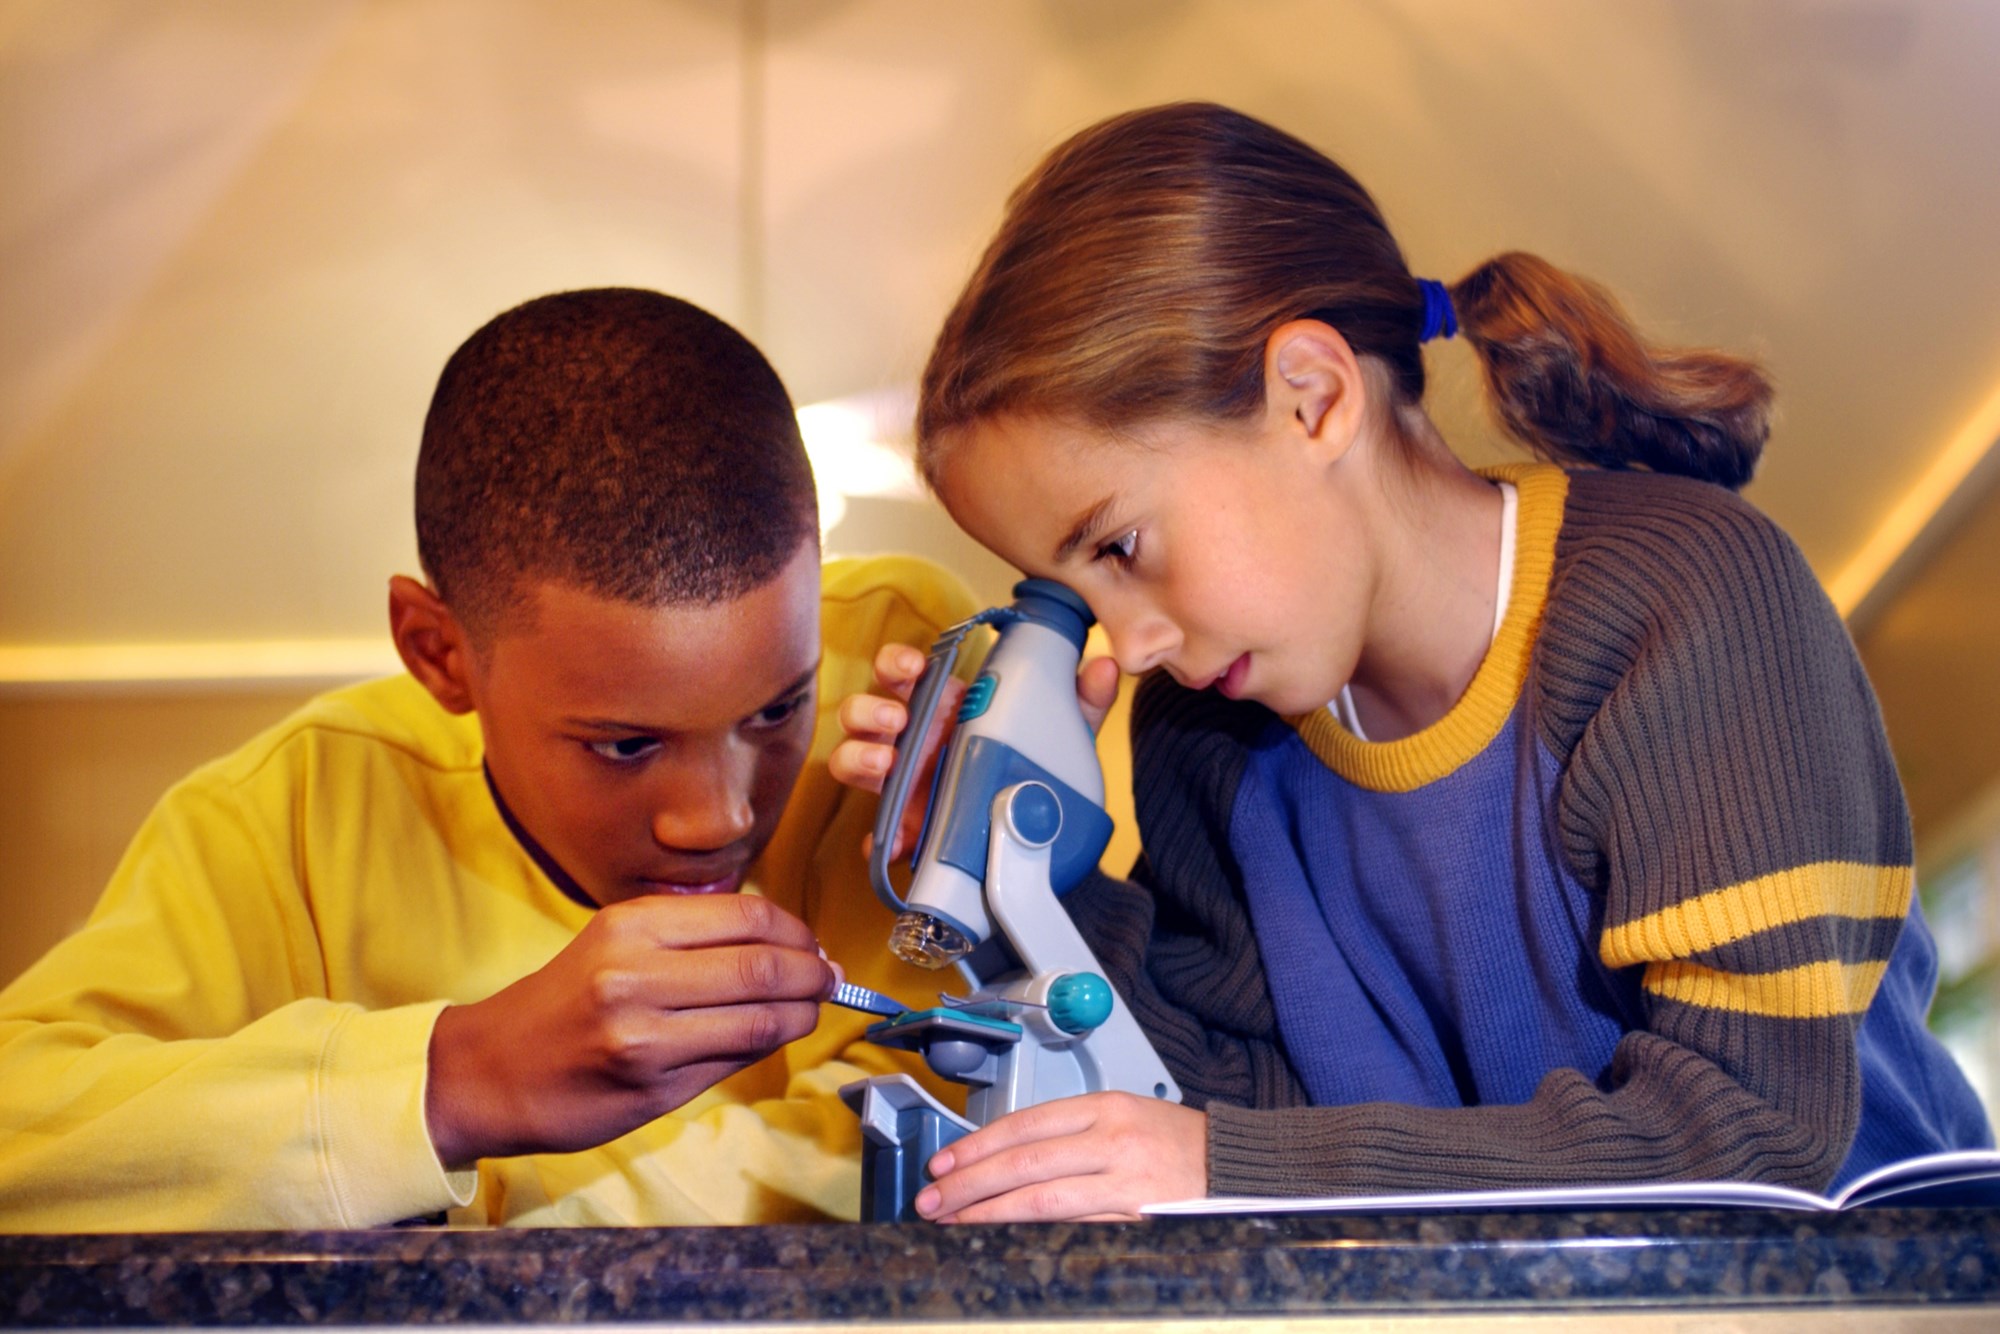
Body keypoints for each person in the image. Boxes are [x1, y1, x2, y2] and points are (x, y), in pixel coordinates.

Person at [832, 102, 1993, 1223]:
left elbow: (1744, 1135)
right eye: (1082, 601)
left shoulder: (1685, 602)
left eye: (1122, 547)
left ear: (1311, 398)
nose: (1129, 647)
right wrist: (1024, 878)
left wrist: (1226, 1165)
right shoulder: (1207, 732)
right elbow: (1244, 1103)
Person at [0, 288, 980, 1230]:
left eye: (776, 709)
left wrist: (475, 1196)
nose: (717, 817)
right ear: (438, 652)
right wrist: (454, 1080)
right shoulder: (295, 812)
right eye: (625, 744)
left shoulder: (897, 673)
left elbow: (963, 1106)